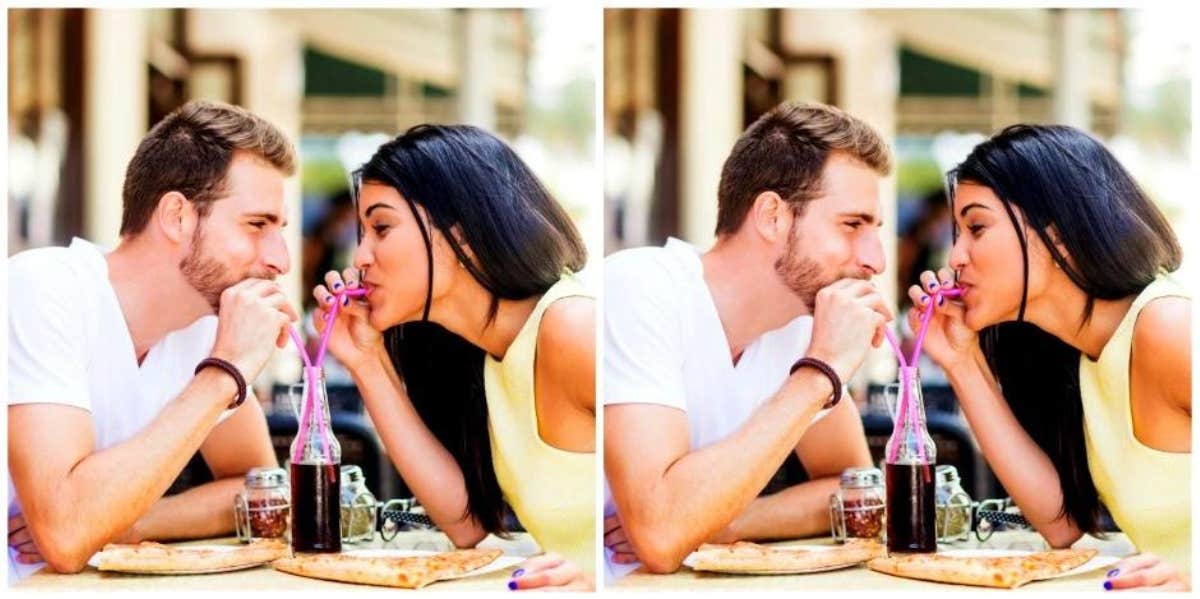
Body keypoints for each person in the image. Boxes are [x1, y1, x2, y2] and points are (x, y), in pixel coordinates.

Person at [7, 101, 299, 581]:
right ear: (177, 216)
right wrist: (224, 372)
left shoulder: (207, 329)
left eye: (279, 229)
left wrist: (129, 521)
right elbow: (64, 536)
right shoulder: (42, 289)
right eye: (256, 225)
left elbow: (264, 493)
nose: (280, 260)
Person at [603, 101, 894, 578]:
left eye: (874, 229)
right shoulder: (639, 289)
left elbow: (859, 493)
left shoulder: (803, 328)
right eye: (851, 225)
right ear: (772, 216)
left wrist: (725, 520)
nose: (875, 260)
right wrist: (820, 371)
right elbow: (658, 536)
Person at [312, 124, 595, 591]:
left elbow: (673, 501)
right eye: (362, 233)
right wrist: (365, 361)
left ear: (461, 232)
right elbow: (465, 524)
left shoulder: (571, 328)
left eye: (381, 228)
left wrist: (599, 576)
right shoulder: (480, 351)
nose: (360, 256)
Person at [907, 124, 1190, 591]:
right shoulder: (1076, 353)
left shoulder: (1168, 329)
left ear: (1057, 232)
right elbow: (1060, 525)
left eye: (976, 227)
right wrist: (960, 362)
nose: (955, 256)